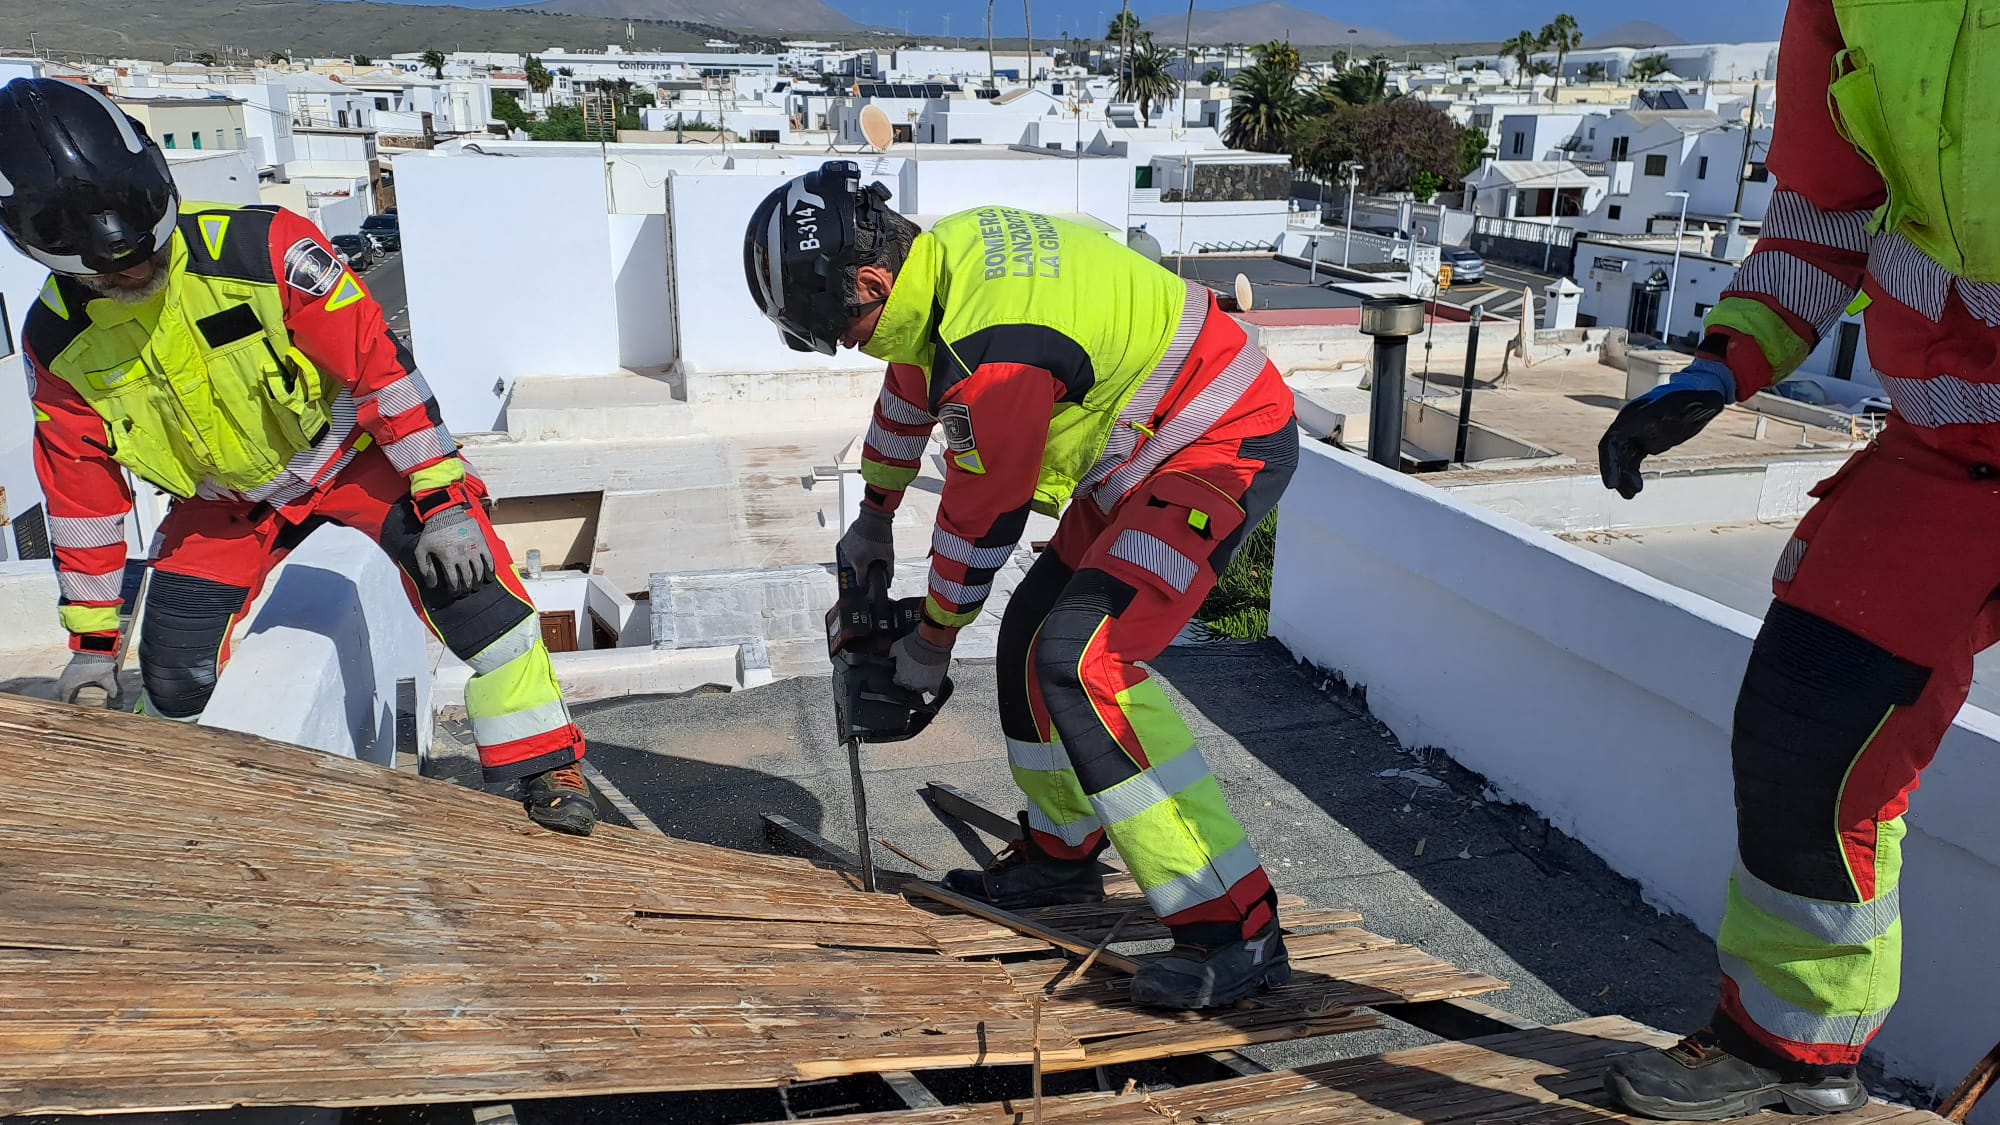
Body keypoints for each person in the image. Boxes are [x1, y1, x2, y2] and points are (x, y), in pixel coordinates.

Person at [744, 162, 1299, 1009]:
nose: (847, 343)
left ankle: (1237, 926)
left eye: (841, 328)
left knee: (1085, 660)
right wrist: (874, 515)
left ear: (871, 282)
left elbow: (984, 515)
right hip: (1144, 457)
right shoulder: (941, 272)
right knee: (1030, 635)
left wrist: (931, 644)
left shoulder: (992, 348)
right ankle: (1062, 855)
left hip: (1220, 444)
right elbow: (910, 389)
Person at [0, 78, 595, 836]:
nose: (134, 272)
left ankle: (545, 769)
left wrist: (444, 499)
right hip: (224, 504)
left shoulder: (265, 249)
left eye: (144, 253)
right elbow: (82, 496)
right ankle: (168, 799)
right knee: (173, 671)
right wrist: (91, 645)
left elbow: (382, 372)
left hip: (354, 459)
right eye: (110, 274)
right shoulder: (55, 343)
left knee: (478, 601)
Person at [1595, 0, 1999, 1115]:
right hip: (1943, 449)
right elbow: (1826, 214)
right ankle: (1790, 1048)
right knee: (1805, 740)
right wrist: (1723, 363)